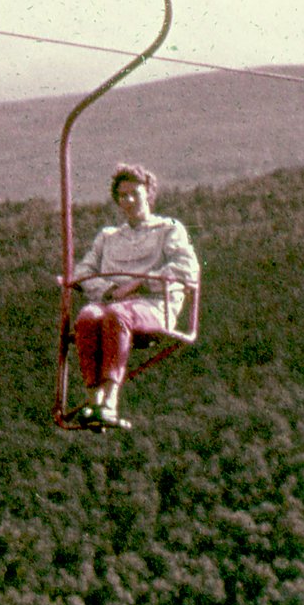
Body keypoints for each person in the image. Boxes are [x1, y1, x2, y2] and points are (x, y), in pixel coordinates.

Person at [68, 164, 199, 429]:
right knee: (87, 316)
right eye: (122, 195)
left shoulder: (168, 229)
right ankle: (94, 400)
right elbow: (83, 270)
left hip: (153, 305)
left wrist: (139, 284)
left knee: (117, 314)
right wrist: (107, 290)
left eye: (134, 194)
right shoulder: (109, 237)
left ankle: (110, 401)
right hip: (112, 304)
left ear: (148, 194)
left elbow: (186, 267)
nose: (128, 200)